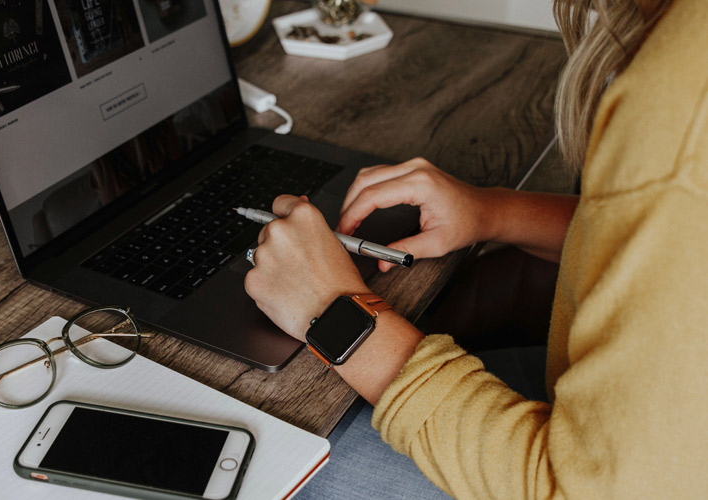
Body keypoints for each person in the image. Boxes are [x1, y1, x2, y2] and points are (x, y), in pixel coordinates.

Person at [243, 0, 708, 497]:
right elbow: (669, 241)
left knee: (269, 457)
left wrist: (331, 309)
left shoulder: (681, 106)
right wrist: (492, 211)